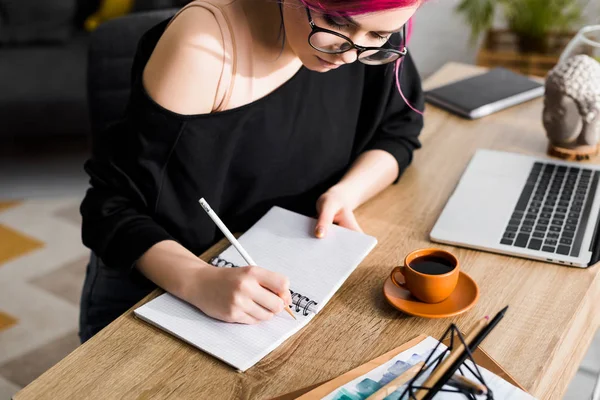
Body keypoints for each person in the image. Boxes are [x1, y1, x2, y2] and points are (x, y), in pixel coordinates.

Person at [79, 0, 425, 342]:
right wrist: (199, 280)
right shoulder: (204, 47)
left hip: (272, 285)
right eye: (336, 22)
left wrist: (346, 191)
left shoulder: (370, 36)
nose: (350, 54)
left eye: (380, 34)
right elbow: (110, 209)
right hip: (156, 291)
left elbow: (397, 131)